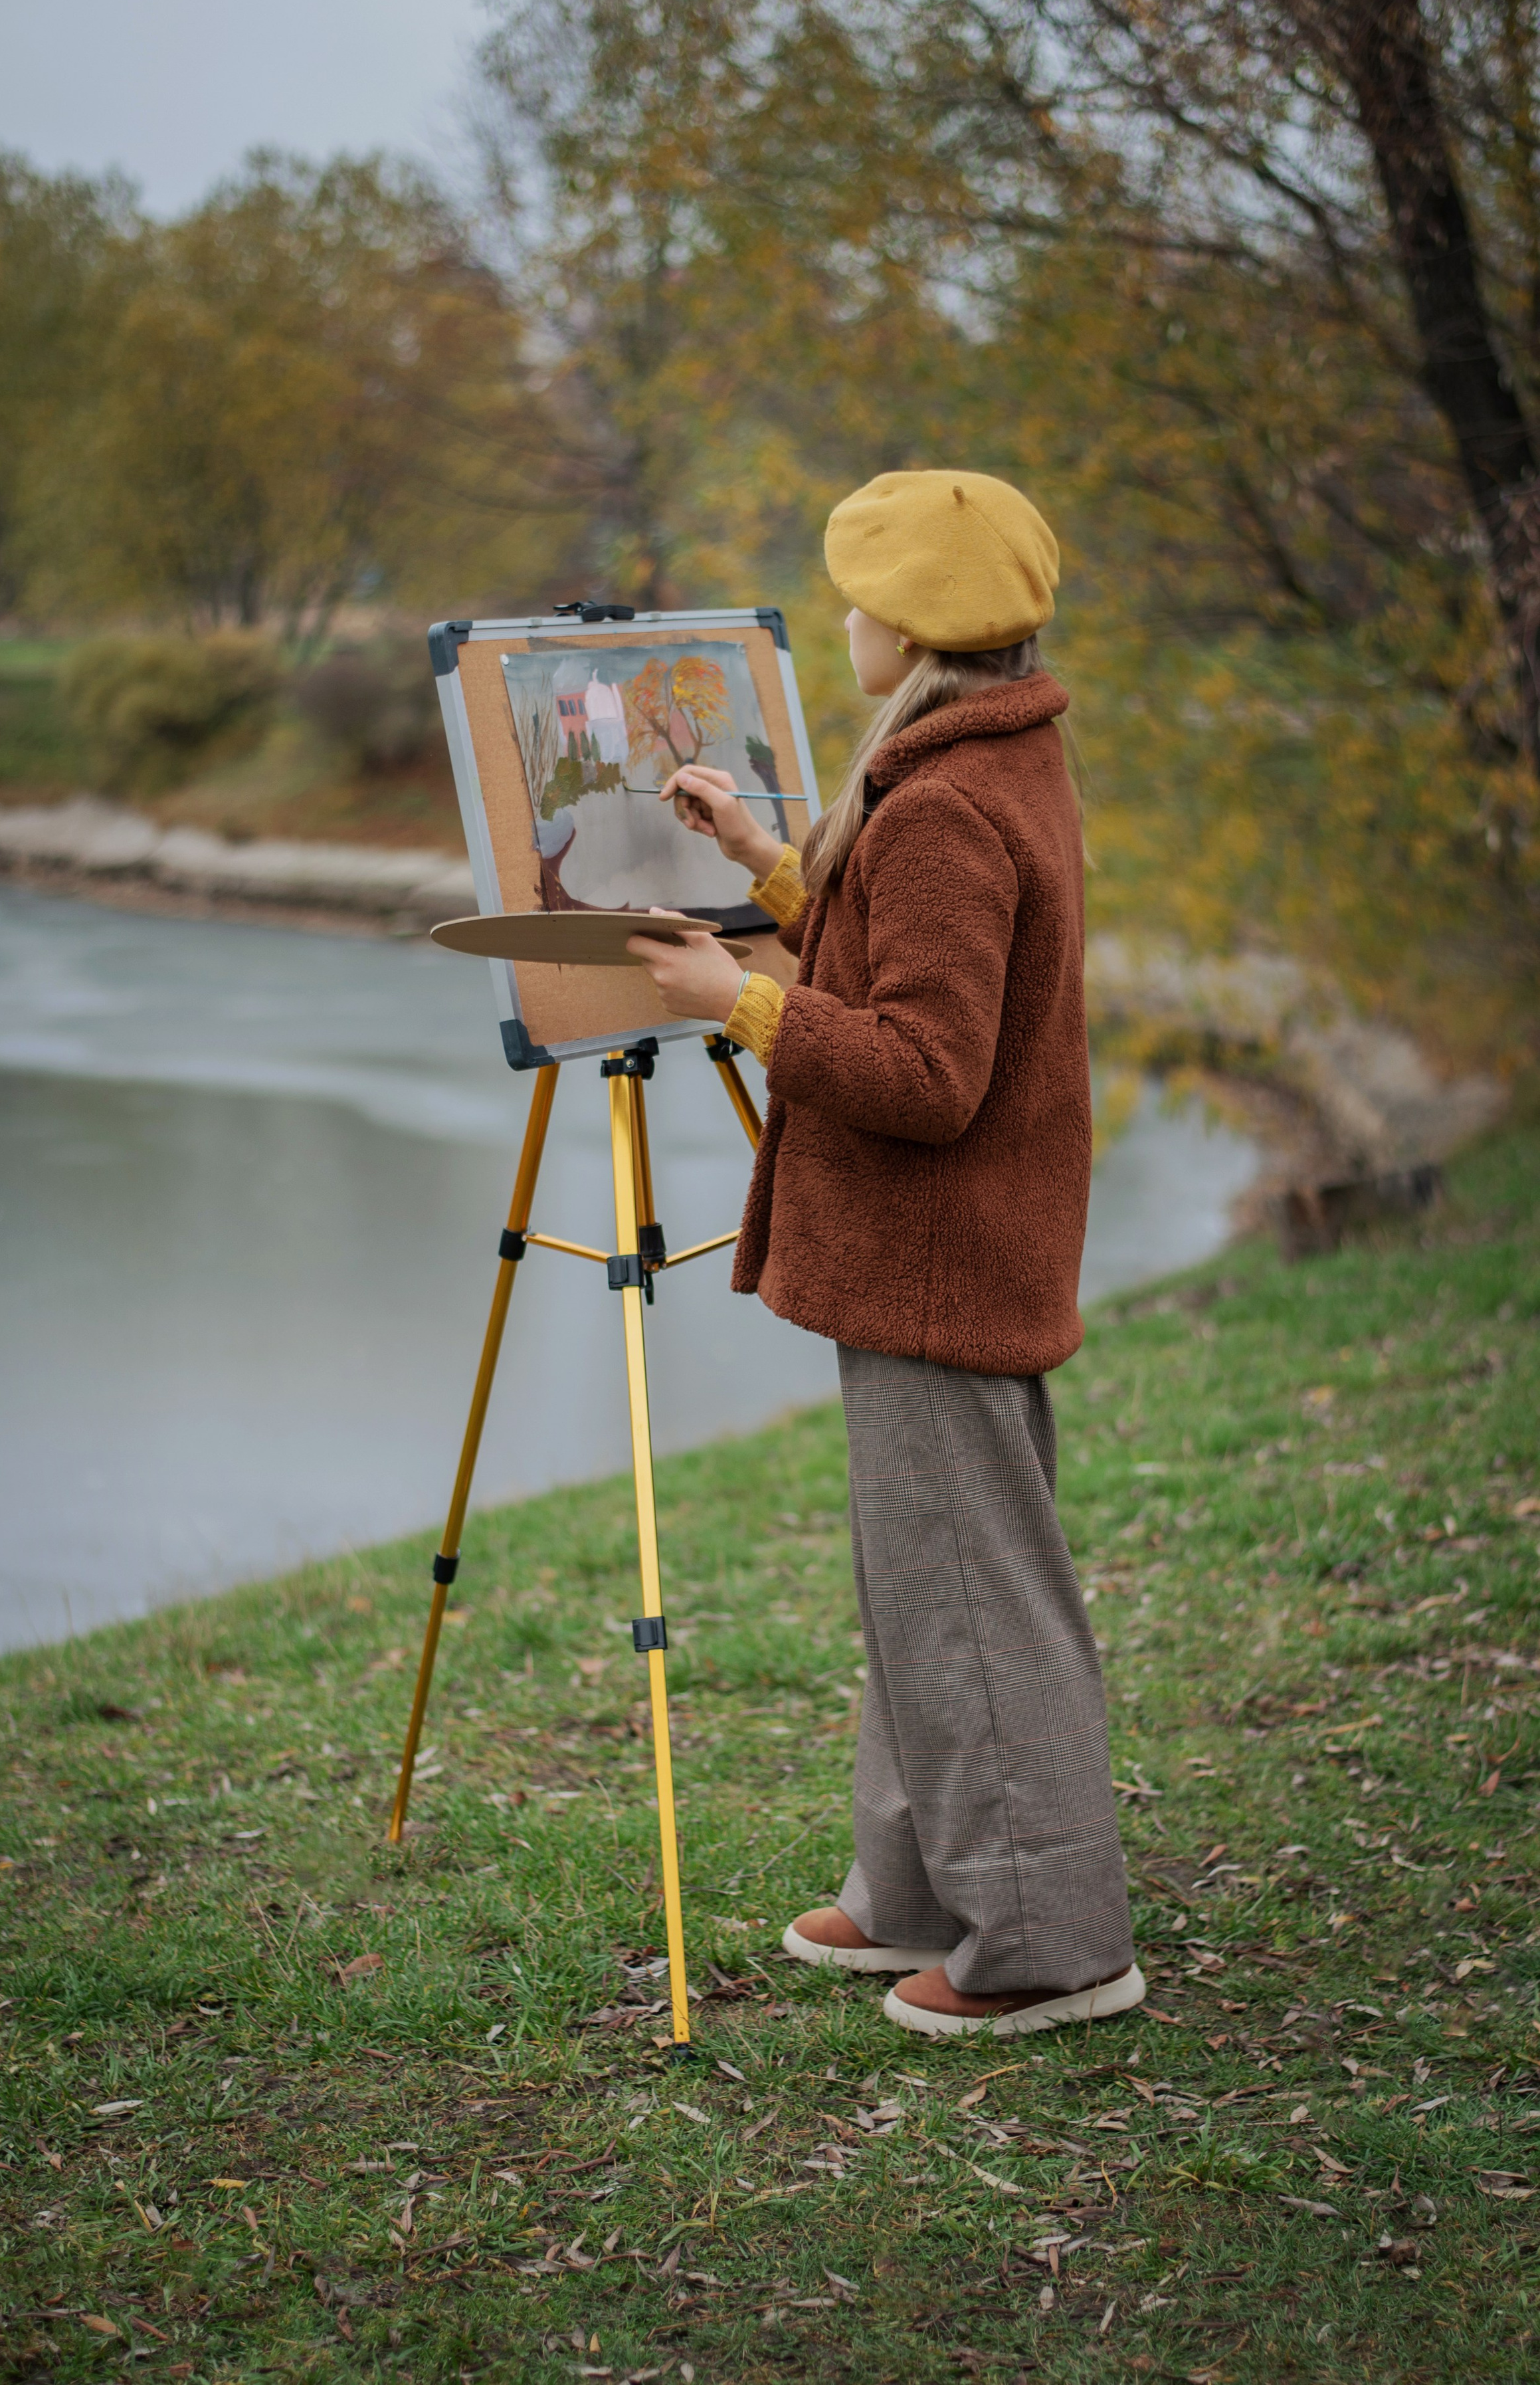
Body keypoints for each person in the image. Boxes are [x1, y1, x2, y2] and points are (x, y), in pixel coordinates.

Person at [625, 469, 1143, 2039]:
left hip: (937, 1256)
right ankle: (918, 1889)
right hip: (943, 1253)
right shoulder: (987, 760)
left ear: (908, 626)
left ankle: (1050, 1944)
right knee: (925, 1585)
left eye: (855, 598)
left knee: (975, 1599)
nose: (841, 619)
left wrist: (738, 1003)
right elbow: (907, 956)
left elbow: (926, 1072)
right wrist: (771, 862)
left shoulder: (940, 805)